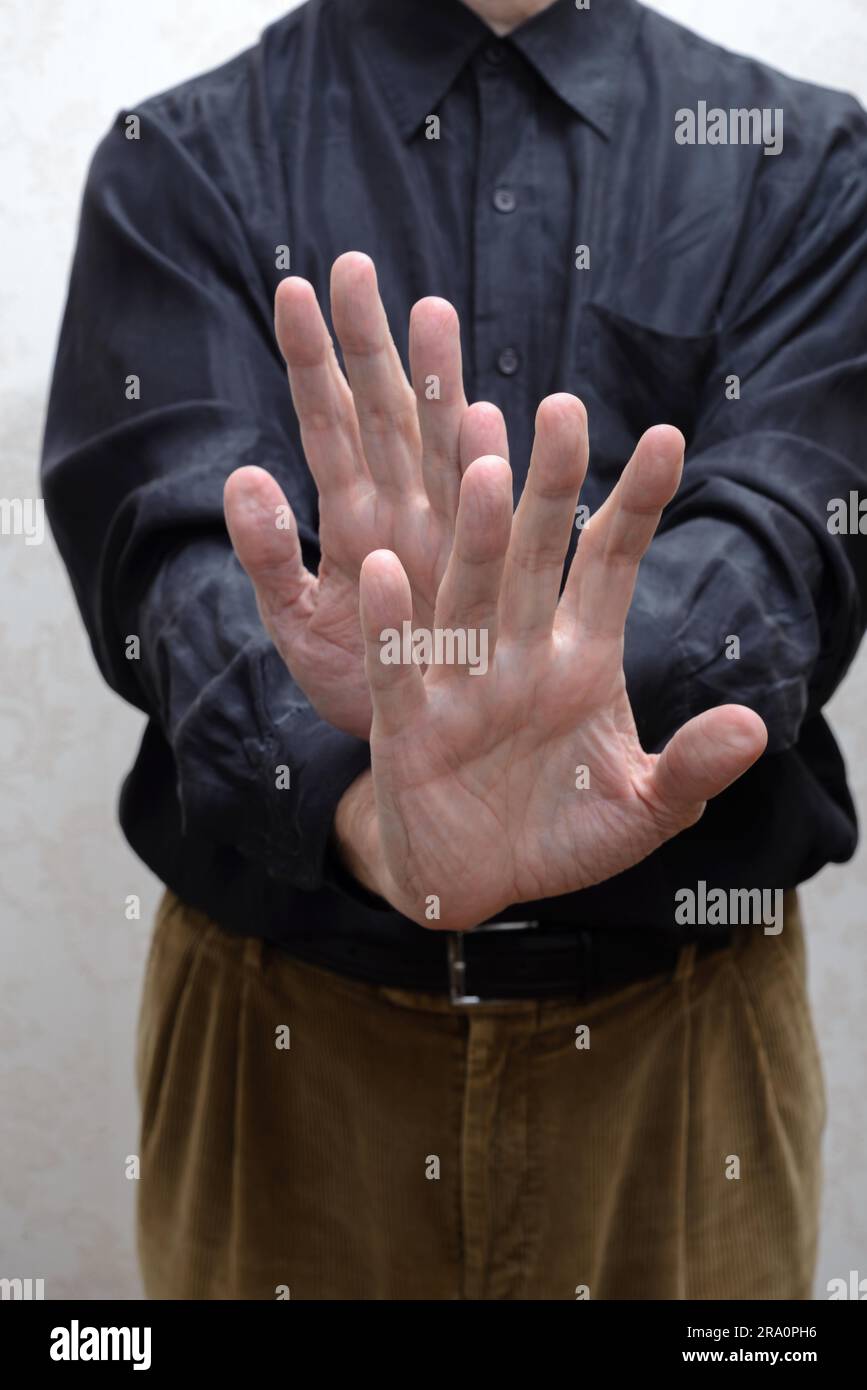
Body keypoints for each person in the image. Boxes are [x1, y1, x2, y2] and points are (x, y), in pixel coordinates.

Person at [42, 0, 867, 1299]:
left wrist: (538, 706)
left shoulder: (813, 166)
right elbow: (176, 553)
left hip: (681, 1059)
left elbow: (787, 546)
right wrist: (377, 813)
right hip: (286, 1041)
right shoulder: (181, 158)